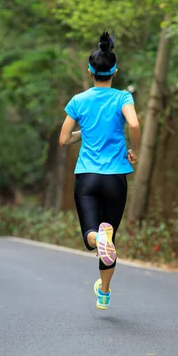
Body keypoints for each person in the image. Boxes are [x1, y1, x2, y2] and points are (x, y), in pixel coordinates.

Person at [58, 31, 140, 310]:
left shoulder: (79, 100)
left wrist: (84, 132)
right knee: (110, 238)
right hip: (116, 178)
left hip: (87, 179)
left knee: (91, 235)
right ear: (114, 71)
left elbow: (63, 139)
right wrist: (135, 150)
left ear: (91, 72)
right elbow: (135, 124)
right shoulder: (122, 98)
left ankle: (96, 238)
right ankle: (104, 291)